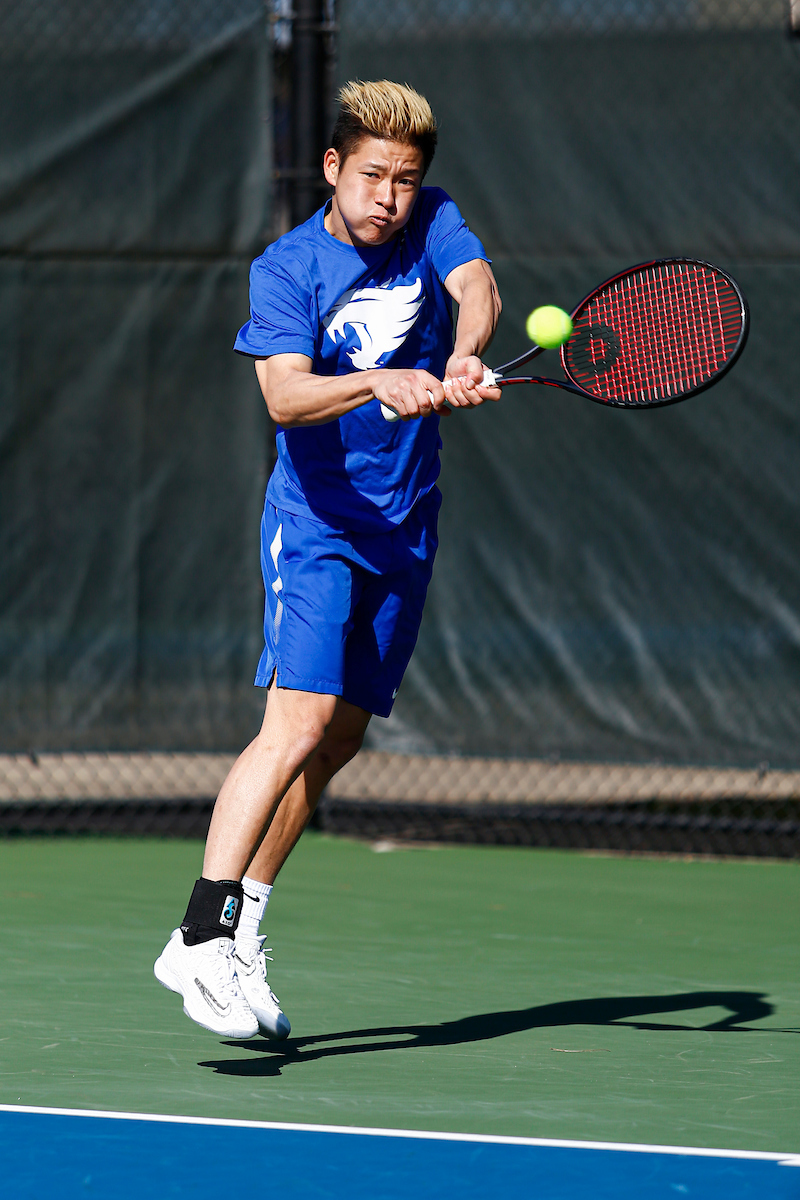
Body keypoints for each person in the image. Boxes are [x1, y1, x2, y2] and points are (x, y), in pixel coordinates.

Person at [154, 80, 502, 1039]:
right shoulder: (287, 266)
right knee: (296, 724)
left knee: (341, 737)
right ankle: (198, 933)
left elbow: (477, 286)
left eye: (406, 178)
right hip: (316, 527)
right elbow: (285, 398)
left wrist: (467, 355)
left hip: (406, 526)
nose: (390, 196)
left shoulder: (431, 222)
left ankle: (244, 931)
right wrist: (377, 380)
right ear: (333, 169)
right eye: (373, 176)